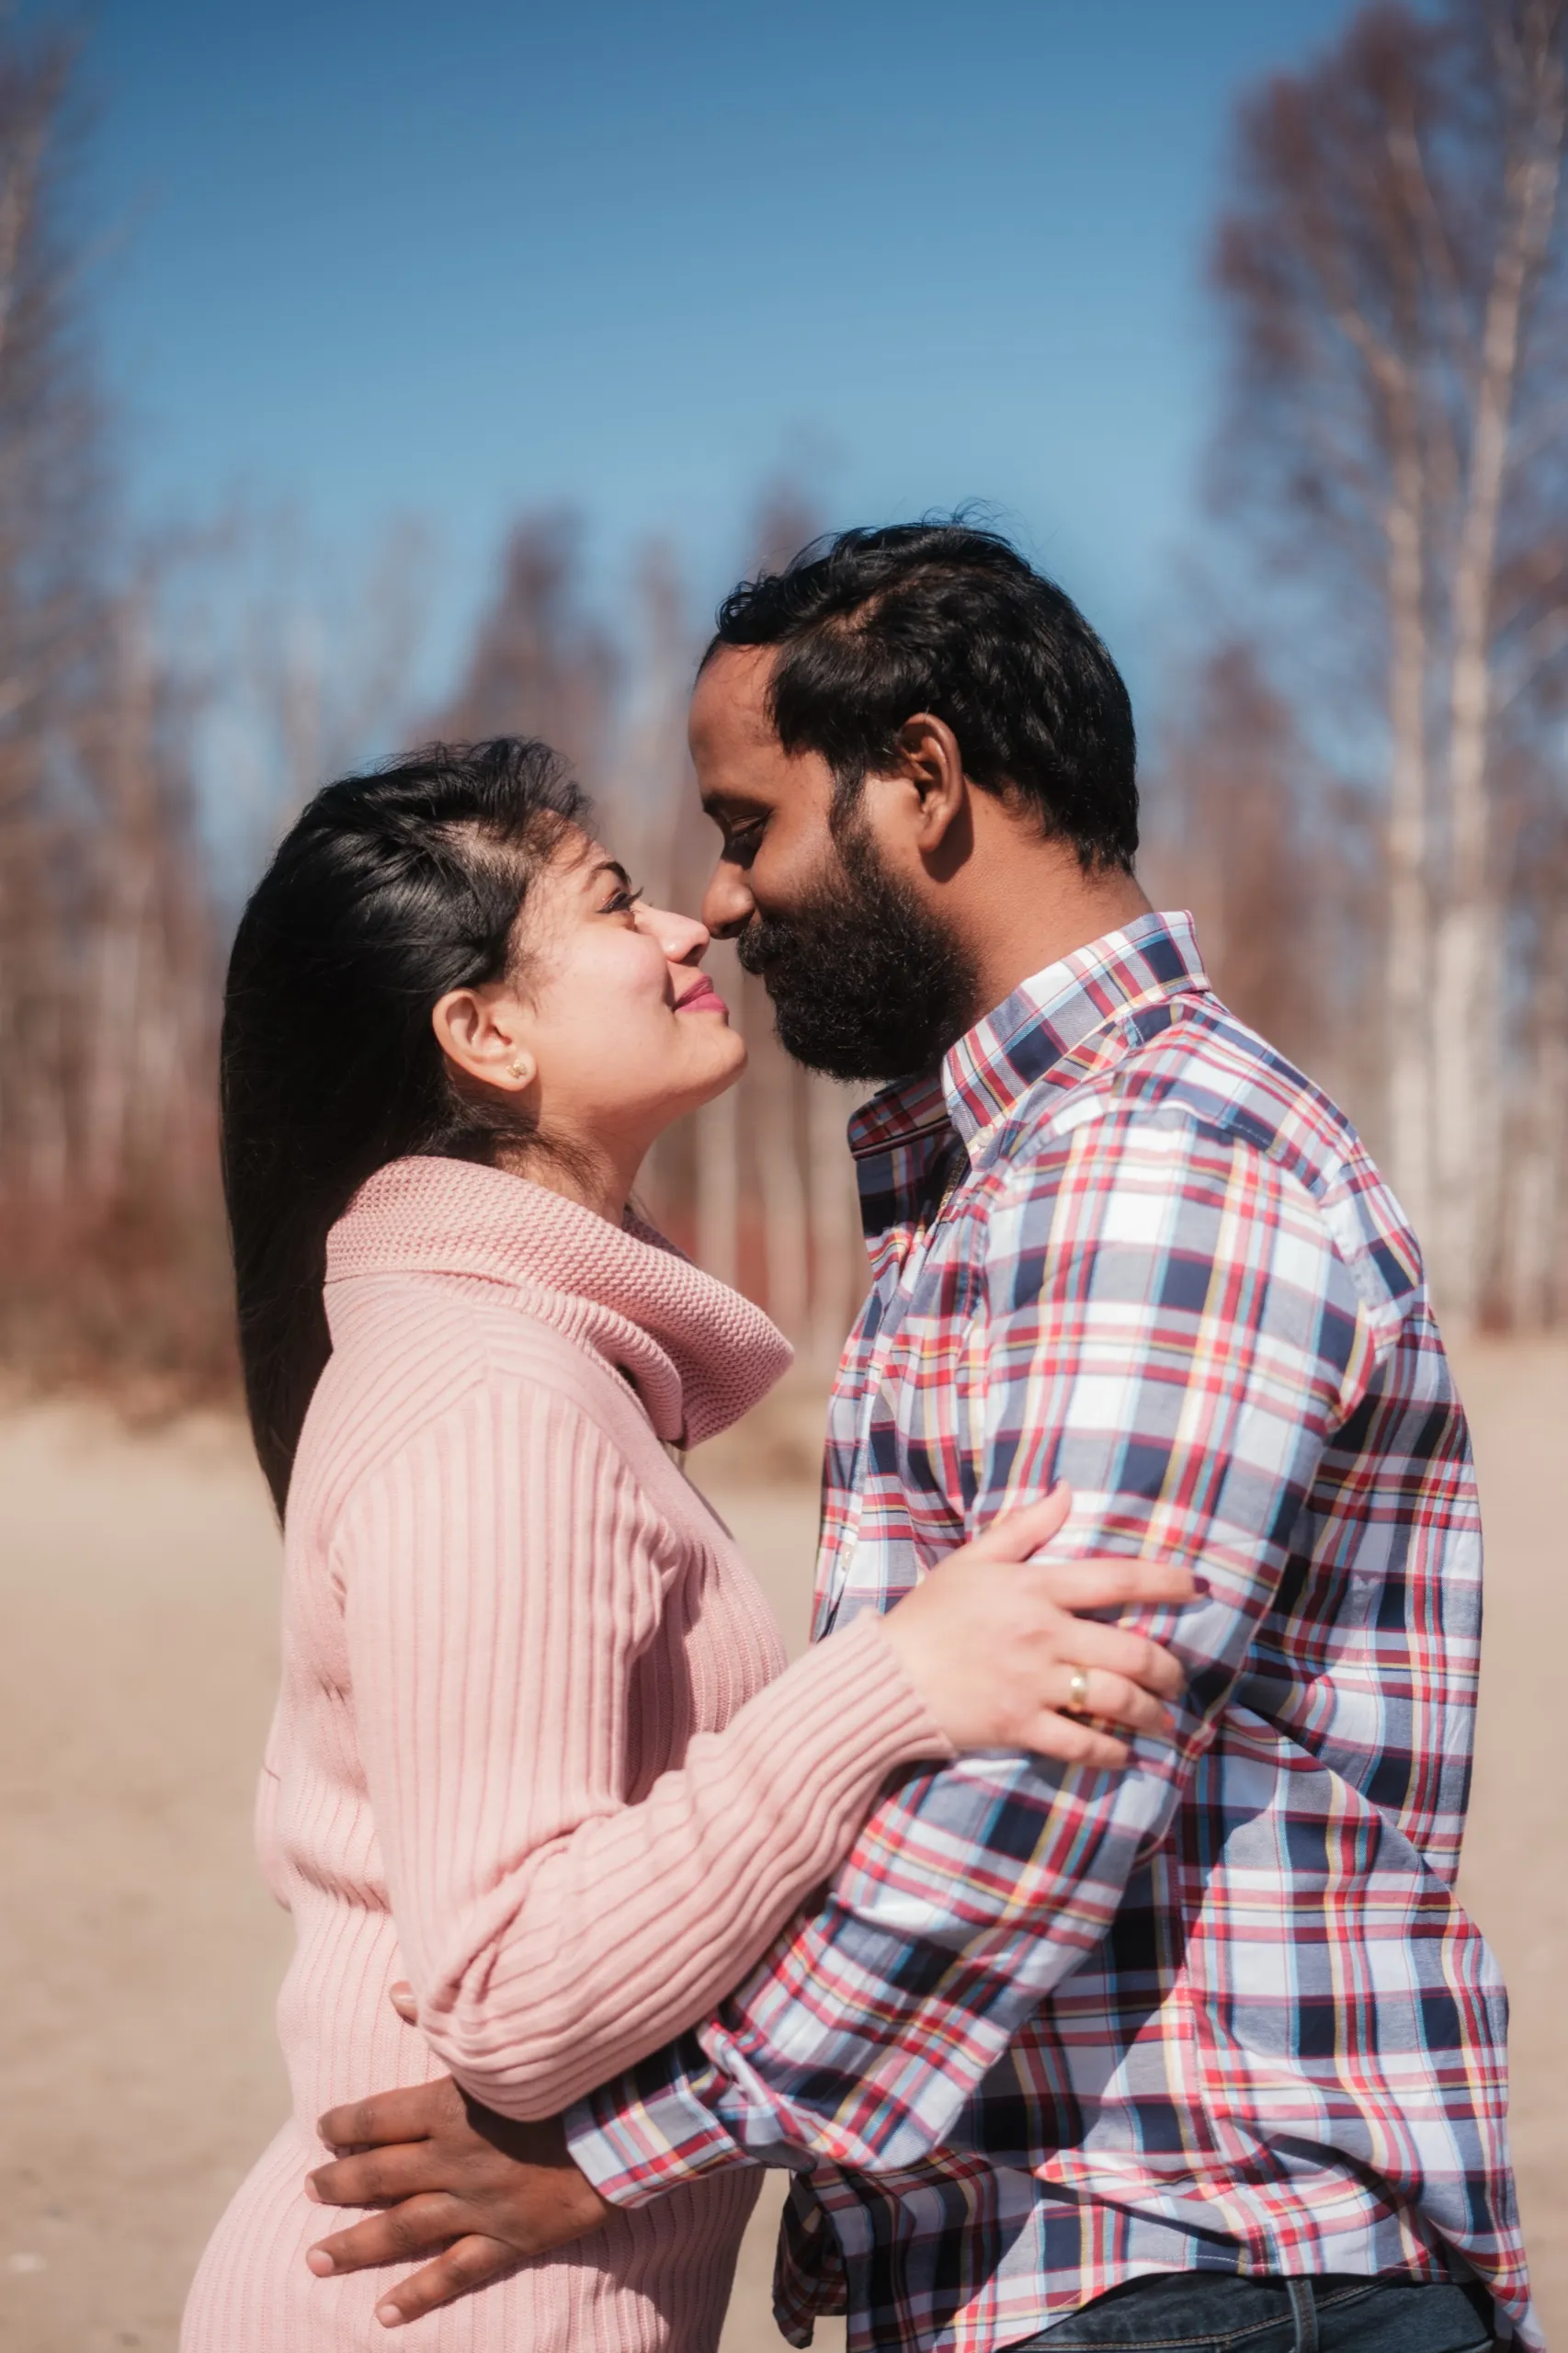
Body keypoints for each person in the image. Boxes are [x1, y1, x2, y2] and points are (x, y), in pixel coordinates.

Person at [305, 527, 1534, 2353]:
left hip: (1195, 2261)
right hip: (1120, 2270)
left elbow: (1040, 1777)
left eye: (744, 826)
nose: (725, 902)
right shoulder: (1016, 1177)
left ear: (924, 781)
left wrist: (616, 2149)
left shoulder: (1152, 1168)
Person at [180, 734, 1191, 2353]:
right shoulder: (487, 1399)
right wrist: (884, 1686)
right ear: (487, 1033)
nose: (685, 930)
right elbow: (509, 1994)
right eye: (612, 902)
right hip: (457, 2310)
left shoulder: (523, 1365)